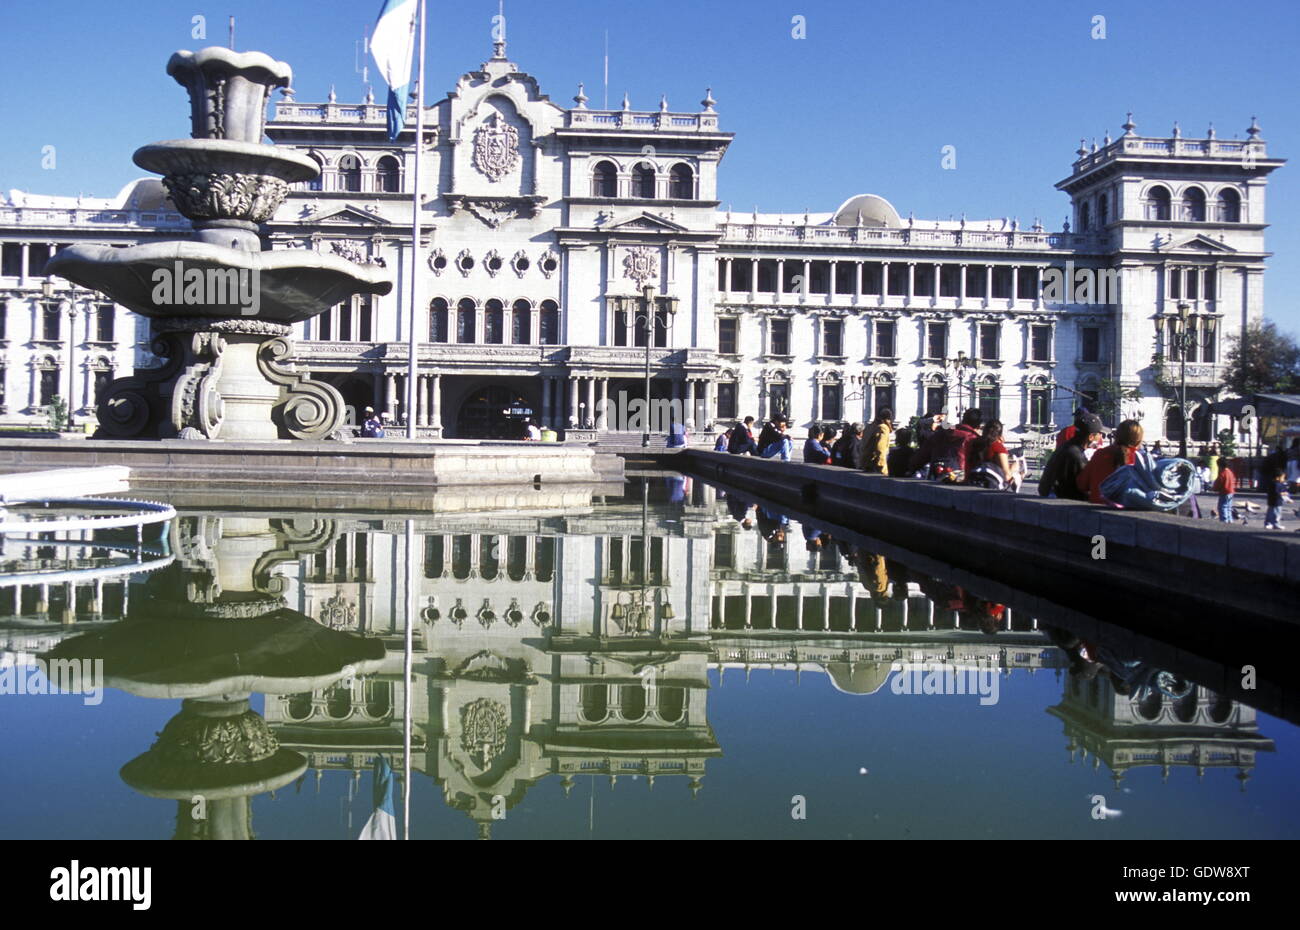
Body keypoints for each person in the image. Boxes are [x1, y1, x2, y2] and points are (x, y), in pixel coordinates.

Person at [1038, 412, 1104, 499]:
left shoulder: (1066, 447)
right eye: (1100, 434)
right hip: (1059, 501)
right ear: (1091, 437)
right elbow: (1083, 485)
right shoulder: (1075, 454)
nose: (1101, 436)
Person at [1077, 419, 1143, 505]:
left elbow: (1082, 484)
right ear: (1139, 439)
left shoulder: (1100, 454)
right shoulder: (1141, 460)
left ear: (1116, 435)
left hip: (1097, 510)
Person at [965, 419, 1019, 490]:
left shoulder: (974, 443)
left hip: (971, 482)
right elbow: (1007, 476)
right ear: (1000, 434)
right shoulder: (998, 447)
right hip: (990, 486)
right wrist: (1014, 467)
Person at [861, 409, 893, 475]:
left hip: (866, 464)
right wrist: (882, 467)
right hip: (875, 466)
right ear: (888, 419)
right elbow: (880, 448)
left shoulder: (869, 427)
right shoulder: (883, 427)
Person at [1214, 457, 1237, 522]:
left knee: (1222, 507)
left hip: (1224, 492)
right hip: (1231, 492)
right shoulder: (1230, 472)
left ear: (1220, 465)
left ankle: (1224, 521)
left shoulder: (1223, 473)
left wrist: (1215, 488)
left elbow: (1219, 483)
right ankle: (1230, 521)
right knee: (1229, 508)